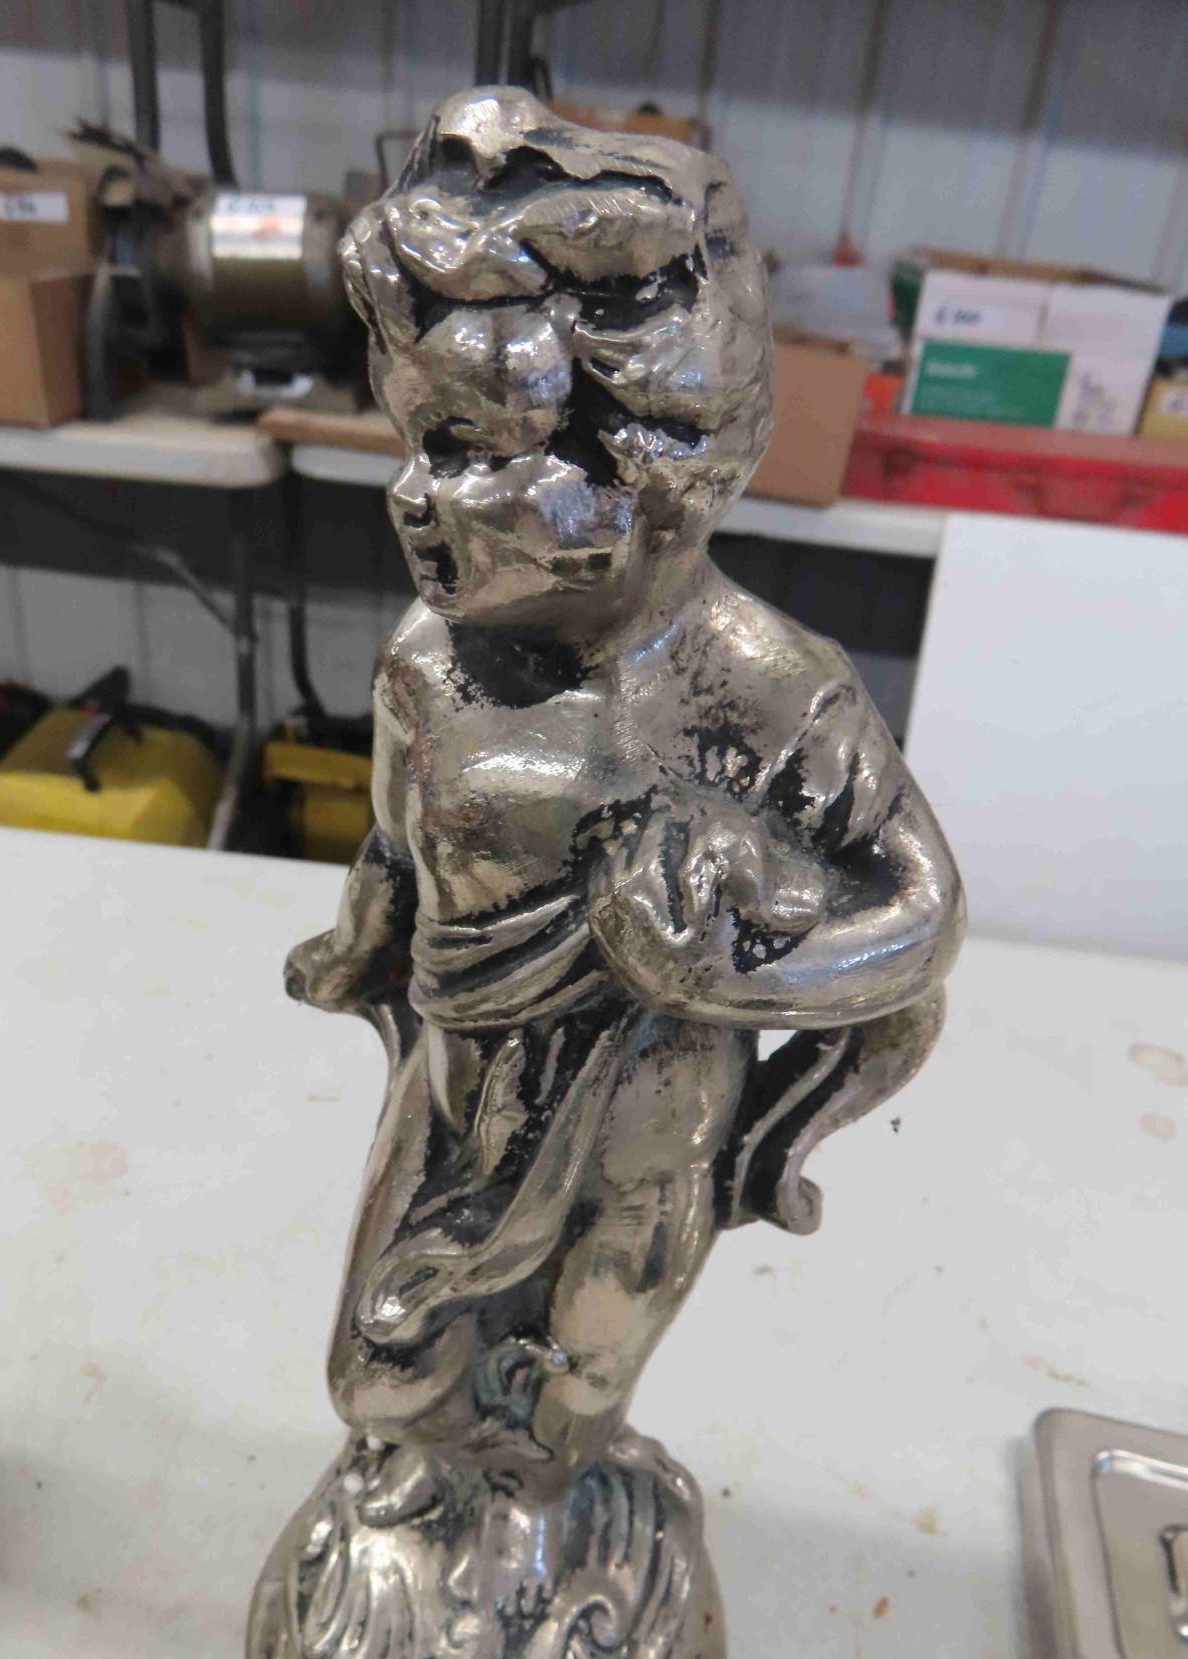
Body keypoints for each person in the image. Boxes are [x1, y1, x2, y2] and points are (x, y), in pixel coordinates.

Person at [285, 86, 964, 1521]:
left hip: (649, 1131)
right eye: (409, 443)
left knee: (586, 1363)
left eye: (467, 455)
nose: (410, 495)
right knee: (376, 1374)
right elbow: (400, 844)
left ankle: (541, 1509)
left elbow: (920, 908)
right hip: (460, 1095)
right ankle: (438, 1466)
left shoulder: (765, 687)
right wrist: (360, 940)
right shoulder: (426, 664)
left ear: (649, 472)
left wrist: (732, 965)